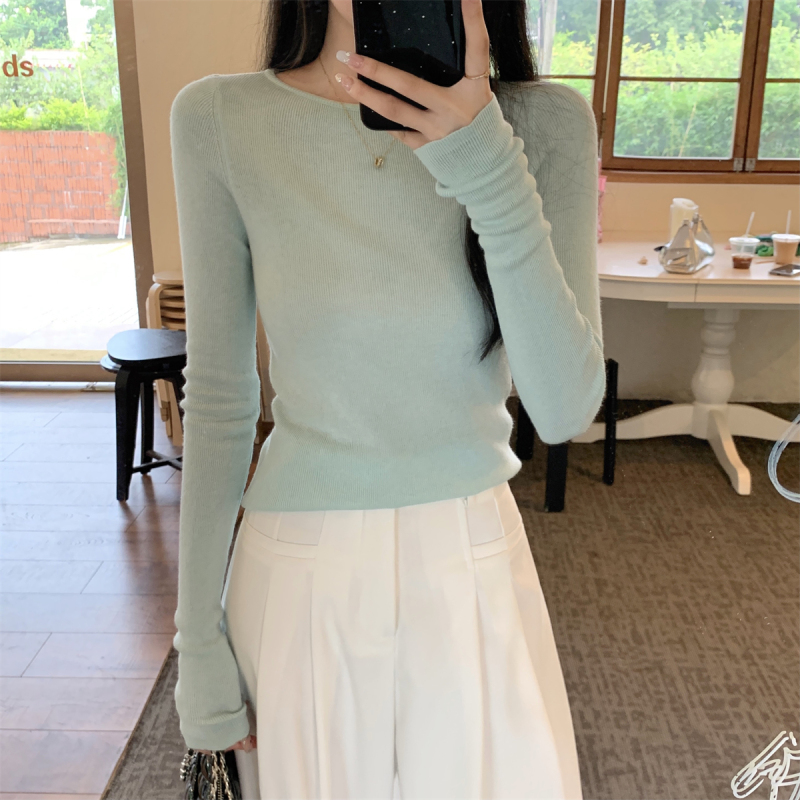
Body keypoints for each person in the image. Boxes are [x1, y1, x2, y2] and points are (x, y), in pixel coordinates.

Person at [168, 0, 605, 796]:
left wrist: (486, 162)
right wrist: (196, 642)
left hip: (470, 564)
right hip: (300, 574)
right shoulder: (222, 119)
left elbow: (565, 409)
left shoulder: (544, 123)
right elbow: (222, 400)